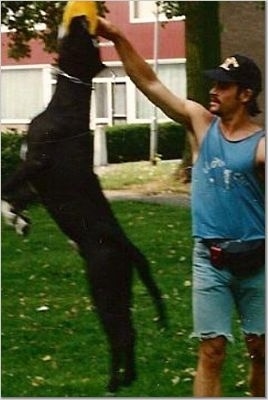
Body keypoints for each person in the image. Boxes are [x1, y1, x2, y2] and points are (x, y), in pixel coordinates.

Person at [97, 17, 265, 397]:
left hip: (257, 261)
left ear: (245, 94)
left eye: (224, 84)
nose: (214, 89)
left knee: (261, 351)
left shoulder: (260, 146)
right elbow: (150, 83)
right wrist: (120, 36)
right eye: (214, 81)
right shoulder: (200, 124)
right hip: (210, 258)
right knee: (212, 351)